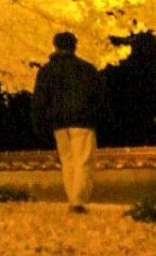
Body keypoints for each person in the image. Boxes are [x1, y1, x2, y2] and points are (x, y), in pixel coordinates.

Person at [31, 31, 104, 213]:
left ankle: (73, 197)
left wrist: (40, 121)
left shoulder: (47, 71)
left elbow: (40, 99)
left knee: (68, 160)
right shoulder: (87, 69)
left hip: (59, 122)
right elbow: (98, 97)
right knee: (83, 160)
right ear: (74, 46)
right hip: (83, 120)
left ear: (55, 46)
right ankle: (77, 200)